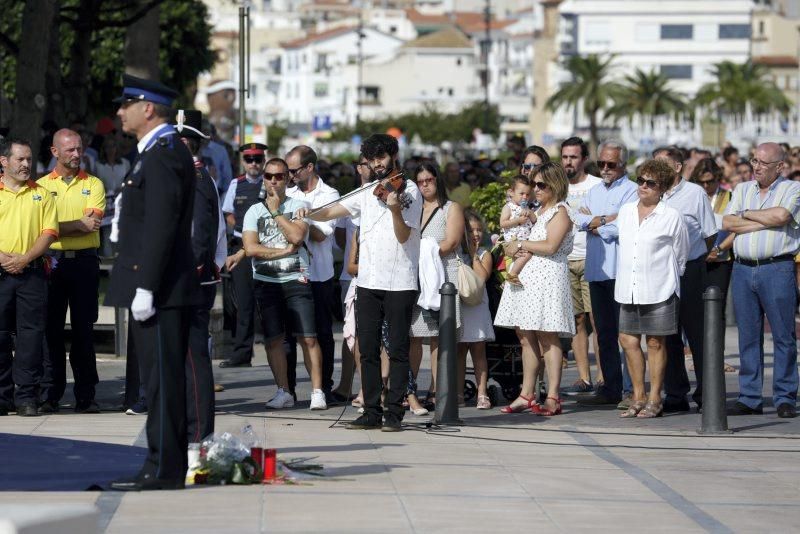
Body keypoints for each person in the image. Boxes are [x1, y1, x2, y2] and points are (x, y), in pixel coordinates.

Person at [105, 75, 201, 491]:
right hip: (158, 287)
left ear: (147, 109)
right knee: (158, 381)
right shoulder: (154, 152)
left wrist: (147, 285)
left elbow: (162, 226)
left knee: (162, 382)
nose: (119, 112)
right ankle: (161, 462)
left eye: (126, 105)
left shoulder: (163, 153)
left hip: (161, 291)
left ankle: (164, 469)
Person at [295, 134, 422, 432]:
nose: (377, 164)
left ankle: (394, 413)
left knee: (399, 350)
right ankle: (371, 410)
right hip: (367, 280)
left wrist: (394, 209)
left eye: (382, 158)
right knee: (366, 349)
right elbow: (333, 210)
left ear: (393, 155)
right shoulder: (366, 191)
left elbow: (404, 236)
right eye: (371, 159)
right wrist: (309, 213)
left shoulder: (410, 190)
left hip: (400, 281)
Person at [242, 157, 326, 411]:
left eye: (279, 176)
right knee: (273, 340)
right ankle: (284, 391)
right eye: (269, 176)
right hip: (266, 282)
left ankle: (317, 391)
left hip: (296, 279)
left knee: (308, 337)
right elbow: (250, 248)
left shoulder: (300, 205)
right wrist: (281, 252)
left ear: (288, 178)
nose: (273, 181)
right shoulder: (253, 211)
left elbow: (297, 237)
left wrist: (277, 211)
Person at [723, 142, 800, 419]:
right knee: (748, 336)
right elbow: (728, 223)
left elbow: (782, 215)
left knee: (783, 336)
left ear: (780, 167)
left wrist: (746, 215)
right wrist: (762, 220)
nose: (756, 167)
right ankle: (750, 396)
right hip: (743, 269)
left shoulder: (792, 188)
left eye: (763, 163)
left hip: (776, 268)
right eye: (753, 160)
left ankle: (784, 396)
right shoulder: (743, 189)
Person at [494, 162, 575, 416]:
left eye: (541, 185)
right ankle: (527, 393)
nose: (535, 189)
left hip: (548, 278)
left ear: (555, 185)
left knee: (548, 336)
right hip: (528, 279)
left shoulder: (560, 211)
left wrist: (521, 243)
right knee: (525, 337)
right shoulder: (538, 212)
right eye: (534, 184)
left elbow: (550, 246)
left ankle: (552, 395)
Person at [37, 129, 105, 414]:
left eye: (79, 149)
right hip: (51, 263)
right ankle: (50, 393)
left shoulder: (94, 183)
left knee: (83, 330)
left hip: (84, 264)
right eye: (70, 150)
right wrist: (73, 224)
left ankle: (85, 395)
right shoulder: (39, 186)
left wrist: (53, 226)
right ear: (55, 152)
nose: (77, 155)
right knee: (50, 330)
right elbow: (37, 228)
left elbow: (91, 224)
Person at [616, 159, 689, 419]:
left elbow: (681, 254)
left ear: (663, 189)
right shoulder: (625, 211)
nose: (644, 186)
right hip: (628, 287)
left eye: (651, 183)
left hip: (659, 287)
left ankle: (655, 397)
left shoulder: (671, 216)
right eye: (641, 181)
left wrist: (670, 279)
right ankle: (638, 395)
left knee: (656, 343)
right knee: (628, 340)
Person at [653, 146, 717, 413]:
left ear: (678, 167)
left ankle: (707, 394)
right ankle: (676, 393)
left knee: (698, 334)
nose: (656, 170)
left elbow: (709, 233)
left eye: (663, 164)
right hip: (661, 272)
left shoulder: (695, 194)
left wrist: (694, 255)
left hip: (690, 269)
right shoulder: (651, 194)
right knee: (668, 334)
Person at [575, 139, 638, 409]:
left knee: (626, 334)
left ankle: (629, 387)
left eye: (610, 164)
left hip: (619, 271)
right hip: (596, 269)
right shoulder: (593, 191)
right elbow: (577, 218)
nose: (605, 168)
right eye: (600, 163)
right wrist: (604, 220)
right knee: (603, 333)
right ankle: (610, 386)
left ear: (622, 164)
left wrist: (595, 222)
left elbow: (622, 227)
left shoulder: (633, 191)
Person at [0, 138, 59, 417]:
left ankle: (26, 397)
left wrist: (24, 259)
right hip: (0, 273)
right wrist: (4, 259)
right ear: (4, 161)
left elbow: (49, 233)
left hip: (32, 274)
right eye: (20, 159)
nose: (26, 165)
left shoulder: (42, 194)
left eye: (28, 159)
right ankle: (2, 397)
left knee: (30, 337)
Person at [175, 109, 222, 441]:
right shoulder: (192, 177)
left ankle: (198, 433)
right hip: (190, 278)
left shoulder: (197, 180)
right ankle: (189, 427)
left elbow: (200, 235)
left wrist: (187, 275)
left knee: (194, 359)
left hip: (191, 280)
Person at [407, 162, 465, 415]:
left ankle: (436, 388)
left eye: (429, 179)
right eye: (420, 181)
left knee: (439, 337)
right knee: (414, 335)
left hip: (443, 275)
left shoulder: (450, 208)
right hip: (416, 277)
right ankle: (411, 389)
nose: (425, 184)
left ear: (437, 180)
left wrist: (423, 253)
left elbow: (451, 241)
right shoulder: (412, 208)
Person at [285, 145, 340, 405]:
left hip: (319, 274)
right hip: (291, 273)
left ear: (309, 167)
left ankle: (324, 387)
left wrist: (302, 221)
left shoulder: (330, 194)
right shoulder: (287, 192)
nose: (290, 175)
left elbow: (320, 235)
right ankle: (287, 389)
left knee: (321, 333)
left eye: (294, 170)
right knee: (291, 335)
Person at [218, 143, 268, 369]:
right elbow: (228, 212)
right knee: (244, 303)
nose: (254, 164)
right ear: (243, 162)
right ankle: (242, 353)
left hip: (267, 247)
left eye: (258, 158)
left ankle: (279, 350)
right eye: (250, 159)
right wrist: (241, 229)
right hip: (242, 247)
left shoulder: (271, 182)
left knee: (271, 301)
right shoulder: (235, 184)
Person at [561, 136, 603, 393]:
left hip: (592, 257)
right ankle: (583, 376)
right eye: (565, 157)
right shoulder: (557, 187)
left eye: (573, 157)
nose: (568, 162)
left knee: (596, 319)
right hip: (565, 259)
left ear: (584, 159)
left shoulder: (597, 186)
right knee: (576, 320)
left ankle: (603, 375)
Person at [331, 155, 372, 402]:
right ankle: (346, 385)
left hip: (379, 276)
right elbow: (340, 237)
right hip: (352, 274)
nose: (373, 167)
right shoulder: (350, 198)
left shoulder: (384, 195)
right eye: (367, 163)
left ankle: (372, 387)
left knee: (377, 335)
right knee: (351, 334)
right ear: (359, 169)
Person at [691, 158, 736, 342]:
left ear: (718, 178)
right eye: (701, 182)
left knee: (718, 308)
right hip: (695, 258)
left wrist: (718, 249)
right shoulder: (693, 196)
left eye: (710, 181)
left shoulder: (730, 197)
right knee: (696, 309)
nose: (706, 185)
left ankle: (718, 357)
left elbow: (736, 229)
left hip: (721, 259)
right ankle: (699, 355)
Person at [458, 209, 494, 409]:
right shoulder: (457, 253)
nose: (476, 234)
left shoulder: (484, 254)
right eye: (472, 230)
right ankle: (459, 393)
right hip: (461, 306)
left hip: (478, 307)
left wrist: (474, 255)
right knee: (459, 351)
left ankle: (482, 393)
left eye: (479, 230)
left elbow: (481, 278)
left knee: (479, 351)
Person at [499, 175, 536, 285]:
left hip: (524, 242)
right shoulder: (508, 207)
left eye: (527, 194)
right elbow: (503, 223)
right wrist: (517, 220)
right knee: (527, 254)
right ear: (511, 192)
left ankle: (515, 274)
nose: (525, 197)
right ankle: (512, 274)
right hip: (513, 241)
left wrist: (530, 213)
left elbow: (535, 221)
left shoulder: (527, 208)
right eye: (521, 194)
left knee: (526, 256)